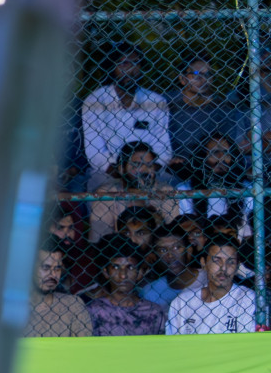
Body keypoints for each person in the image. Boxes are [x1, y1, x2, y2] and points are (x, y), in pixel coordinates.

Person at [81, 42, 172, 178]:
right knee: (105, 192)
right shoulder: (94, 101)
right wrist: (122, 173)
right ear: (112, 67)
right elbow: (95, 152)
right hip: (109, 173)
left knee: (172, 189)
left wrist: (149, 169)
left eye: (135, 63)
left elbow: (163, 149)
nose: (131, 69)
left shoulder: (156, 101)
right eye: (124, 63)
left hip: (150, 170)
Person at [88, 141, 179, 241]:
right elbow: (99, 239)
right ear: (122, 169)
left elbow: (173, 234)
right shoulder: (107, 193)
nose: (145, 170)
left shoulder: (165, 191)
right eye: (137, 165)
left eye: (149, 165)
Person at [166, 235, 256, 334]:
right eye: (217, 261)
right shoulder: (182, 302)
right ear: (203, 263)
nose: (223, 268)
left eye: (231, 262)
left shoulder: (247, 299)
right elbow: (174, 346)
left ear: (237, 267)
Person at [169, 56, 245, 170]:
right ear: (182, 78)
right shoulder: (167, 103)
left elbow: (227, 144)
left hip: (209, 165)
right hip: (173, 163)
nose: (203, 79)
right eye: (196, 74)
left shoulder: (222, 108)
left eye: (208, 75)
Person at [84, 238, 167, 337]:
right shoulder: (93, 311)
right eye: (115, 267)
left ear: (140, 273)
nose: (123, 275)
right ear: (106, 272)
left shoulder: (153, 312)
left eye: (130, 267)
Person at [25, 240, 94, 337]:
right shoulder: (11, 308)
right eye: (46, 268)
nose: (53, 275)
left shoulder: (73, 305)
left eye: (57, 269)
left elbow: (84, 349)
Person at [139, 221, 202, 308]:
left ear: (189, 251)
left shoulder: (208, 281)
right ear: (155, 256)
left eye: (176, 248)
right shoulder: (150, 293)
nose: (170, 255)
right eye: (163, 250)